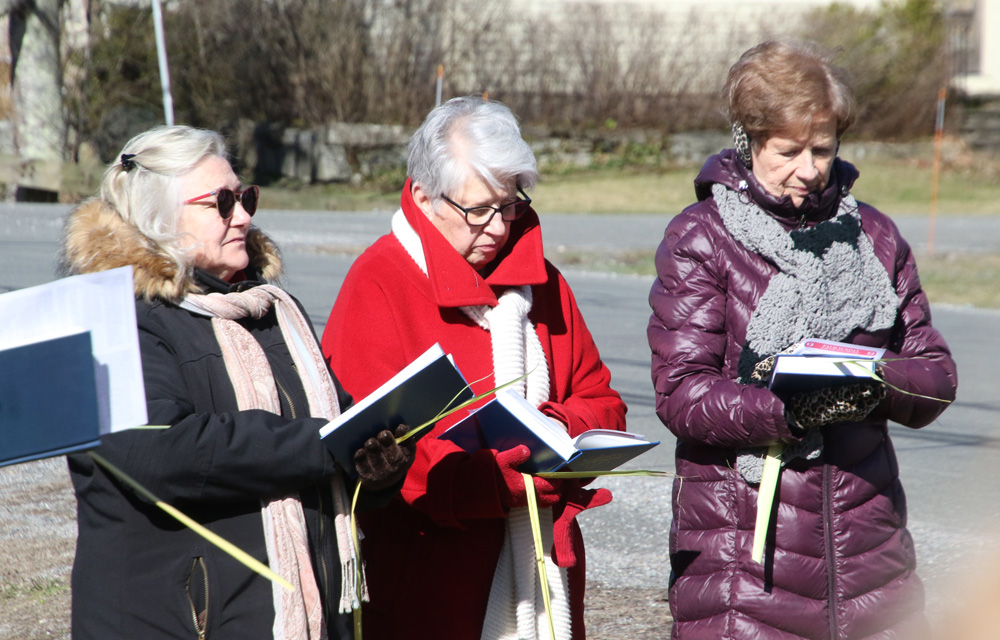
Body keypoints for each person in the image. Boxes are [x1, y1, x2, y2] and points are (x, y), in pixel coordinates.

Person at [647, 41, 958, 639]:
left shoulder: (875, 235)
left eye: (823, 149)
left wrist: (874, 383)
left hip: (870, 552)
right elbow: (681, 394)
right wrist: (784, 408)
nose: (810, 169)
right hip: (747, 556)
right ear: (749, 144)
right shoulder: (701, 238)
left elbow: (935, 375)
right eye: (788, 151)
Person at [60, 125, 414, 640]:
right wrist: (324, 445)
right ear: (156, 218)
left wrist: (372, 467)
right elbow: (161, 451)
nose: (244, 215)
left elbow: (331, 424)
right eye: (221, 203)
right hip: (175, 621)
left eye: (244, 197)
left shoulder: (272, 311)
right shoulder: (112, 316)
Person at [320, 96, 628, 639]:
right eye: (477, 209)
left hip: (540, 576)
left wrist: (553, 432)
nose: (497, 227)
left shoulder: (545, 284)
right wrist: (484, 479)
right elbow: (361, 444)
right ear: (423, 196)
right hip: (431, 588)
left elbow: (601, 400)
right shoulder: (378, 283)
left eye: (509, 206)